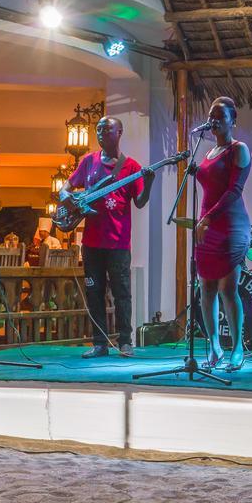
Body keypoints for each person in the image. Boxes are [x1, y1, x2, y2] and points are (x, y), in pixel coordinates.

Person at [62, 116, 154, 358]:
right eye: (99, 129)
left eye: (107, 129)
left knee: (122, 293)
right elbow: (66, 188)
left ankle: (125, 342)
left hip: (118, 244)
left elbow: (140, 202)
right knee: (94, 293)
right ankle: (99, 343)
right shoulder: (88, 161)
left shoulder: (131, 167)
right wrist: (65, 197)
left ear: (119, 132)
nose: (101, 133)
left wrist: (149, 183)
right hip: (91, 243)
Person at [194, 96, 252, 371]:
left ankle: (237, 347)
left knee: (228, 289)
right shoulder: (207, 152)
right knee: (205, 288)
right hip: (207, 227)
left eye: (221, 116)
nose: (214, 121)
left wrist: (208, 218)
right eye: (211, 116)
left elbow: (233, 191)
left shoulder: (239, 149)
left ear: (233, 121)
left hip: (230, 226)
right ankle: (215, 347)